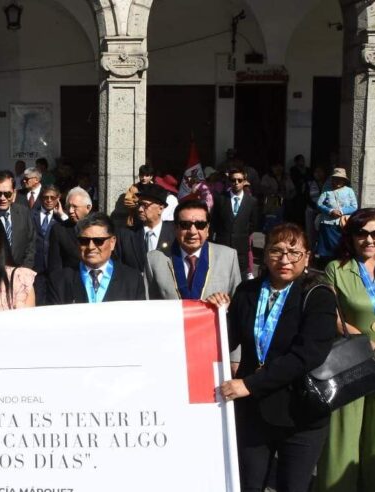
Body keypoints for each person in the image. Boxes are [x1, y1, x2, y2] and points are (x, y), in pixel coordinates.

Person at [218, 223, 337, 492]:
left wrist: (249, 384)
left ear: (307, 256)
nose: (284, 260)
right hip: (253, 413)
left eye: (294, 252)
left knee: (292, 486)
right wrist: (214, 313)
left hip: (300, 413)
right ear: (264, 254)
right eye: (276, 251)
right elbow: (226, 339)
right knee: (248, 484)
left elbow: (307, 356)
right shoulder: (247, 291)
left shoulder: (318, 295)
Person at [314, 208, 375, 491]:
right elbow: (332, 317)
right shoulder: (335, 269)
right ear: (350, 237)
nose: (369, 239)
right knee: (344, 435)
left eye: (374, 234)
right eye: (361, 233)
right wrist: (365, 341)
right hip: (354, 361)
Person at [146, 200, 241, 301]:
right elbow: (149, 306)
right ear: (175, 228)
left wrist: (225, 304)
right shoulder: (154, 260)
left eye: (200, 225)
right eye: (185, 225)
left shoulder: (228, 257)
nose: (192, 231)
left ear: (207, 229)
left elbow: (239, 304)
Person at [48, 212, 145, 304]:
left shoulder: (132, 280)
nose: (91, 247)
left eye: (98, 241)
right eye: (84, 241)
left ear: (112, 242)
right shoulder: (59, 281)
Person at [211, 168, 259, 279]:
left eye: (239, 180)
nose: (236, 183)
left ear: (244, 181)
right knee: (221, 277)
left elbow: (254, 223)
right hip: (223, 245)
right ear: (229, 181)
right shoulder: (220, 199)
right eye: (233, 180)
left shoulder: (251, 201)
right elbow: (214, 221)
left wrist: (241, 234)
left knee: (240, 279)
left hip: (241, 248)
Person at [116, 184, 175, 273]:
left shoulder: (175, 234)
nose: (140, 209)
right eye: (139, 204)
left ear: (161, 208)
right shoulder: (125, 235)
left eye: (145, 205)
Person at [0, 171, 36, 268]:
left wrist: (24, 269)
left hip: (20, 272)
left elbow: (31, 244)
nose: (2, 198)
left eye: (7, 194)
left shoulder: (24, 212)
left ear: (14, 193)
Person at [316, 168, 358, 265]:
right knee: (326, 247)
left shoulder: (349, 191)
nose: (338, 181)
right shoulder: (326, 190)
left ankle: (340, 263)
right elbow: (319, 203)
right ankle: (325, 265)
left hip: (342, 223)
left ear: (344, 180)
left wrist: (341, 211)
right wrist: (330, 211)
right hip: (327, 223)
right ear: (332, 179)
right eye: (336, 178)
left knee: (341, 244)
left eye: (340, 179)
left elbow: (354, 206)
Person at [47, 187, 92, 271]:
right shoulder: (59, 230)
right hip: (69, 281)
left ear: (88, 208)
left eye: (75, 207)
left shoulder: (99, 228)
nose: (70, 211)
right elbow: (54, 265)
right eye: (68, 206)